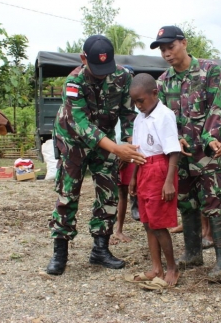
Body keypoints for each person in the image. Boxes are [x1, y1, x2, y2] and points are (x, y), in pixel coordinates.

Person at [46, 35, 146, 275]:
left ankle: (100, 249)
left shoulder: (123, 77)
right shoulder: (74, 81)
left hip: (106, 141)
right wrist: (115, 147)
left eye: (106, 68)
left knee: (109, 193)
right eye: (97, 68)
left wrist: (132, 141)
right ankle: (60, 252)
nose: (102, 74)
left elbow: (127, 113)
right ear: (83, 59)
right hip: (73, 142)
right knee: (67, 194)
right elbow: (78, 122)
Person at [150, 25, 221, 281]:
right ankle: (193, 253)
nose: (166, 53)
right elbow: (163, 120)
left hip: (207, 153)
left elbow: (215, 109)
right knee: (186, 202)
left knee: (214, 203)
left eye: (170, 47)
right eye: (162, 49)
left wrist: (210, 138)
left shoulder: (209, 71)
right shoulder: (163, 82)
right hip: (181, 155)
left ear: (184, 43)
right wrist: (175, 139)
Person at [125, 73, 181, 287]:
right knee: (147, 222)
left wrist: (169, 182)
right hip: (143, 168)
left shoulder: (164, 115)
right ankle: (156, 267)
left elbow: (173, 151)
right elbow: (139, 150)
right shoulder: (140, 117)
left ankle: (172, 267)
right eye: (135, 101)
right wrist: (133, 177)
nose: (138, 105)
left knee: (159, 224)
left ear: (155, 94)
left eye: (141, 100)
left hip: (161, 169)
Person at [113, 64, 137, 244]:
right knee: (116, 193)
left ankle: (120, 228)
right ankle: (116, 230)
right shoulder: (112, 103)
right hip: (115, 152)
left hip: (131, 154)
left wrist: (128, 155)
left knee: (133, 191)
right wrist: (117, 152)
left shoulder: (138, 105)